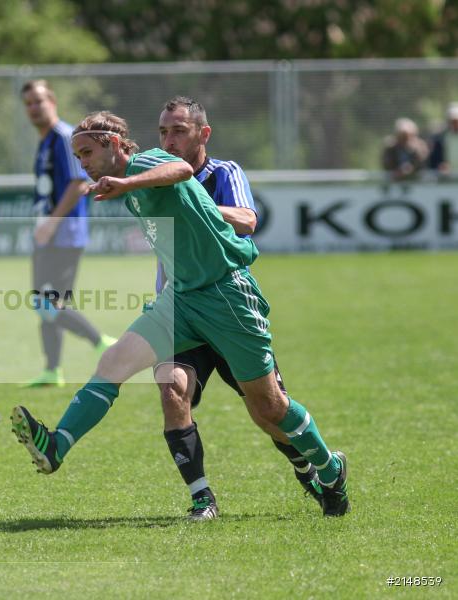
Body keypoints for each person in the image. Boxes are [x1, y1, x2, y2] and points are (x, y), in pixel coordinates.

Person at [11, 111, 350, 518]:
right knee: (114, 362)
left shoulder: (146, 163)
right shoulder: (120, 183)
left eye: (87, 151)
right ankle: (57, 445)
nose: (81, 161)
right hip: (181, 298)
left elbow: (179, 169)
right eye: (77, 154)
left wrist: (127, 181)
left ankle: (330, 469)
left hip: (226, 295)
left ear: (114, 144)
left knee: (270, 407)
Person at [154, 96, 323, 520]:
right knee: (172, 391)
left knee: (268, 414)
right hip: (183, 311)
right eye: (163, 132)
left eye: (178, 131)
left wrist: (194, 202)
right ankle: (202, 498)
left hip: (228, 310)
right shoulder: (155, 177)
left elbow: (248, 221)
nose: (169, 140)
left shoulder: (223, 173)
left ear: (203, 134)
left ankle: (311, 468)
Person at [20, 79, 115, 388]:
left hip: (64, 233)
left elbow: (78, 184)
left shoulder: (63, 136)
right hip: (48, 233)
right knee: (43, 301)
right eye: (29, 103)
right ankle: (52, 370)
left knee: (49, 303)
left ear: (53, 102)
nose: (34, 108)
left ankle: (101, 342)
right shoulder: (45, 140)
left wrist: (51, 223)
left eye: (39, 101)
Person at [381, 118, 427, 182]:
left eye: (407, 136)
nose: (404, 139)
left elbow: (421, 162)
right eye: (401, 136)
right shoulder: (390, 148)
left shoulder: (420, 147)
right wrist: (397, 170)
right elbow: (386, 163)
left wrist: (410, 168)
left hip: (416, 182)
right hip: (395, 182)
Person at [429, 102, 458, 178]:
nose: (454, 123)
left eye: (456, 121)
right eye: (452, 121)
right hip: (447, 179)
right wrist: (440, 165)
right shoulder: (440, 138)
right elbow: (434, 160)